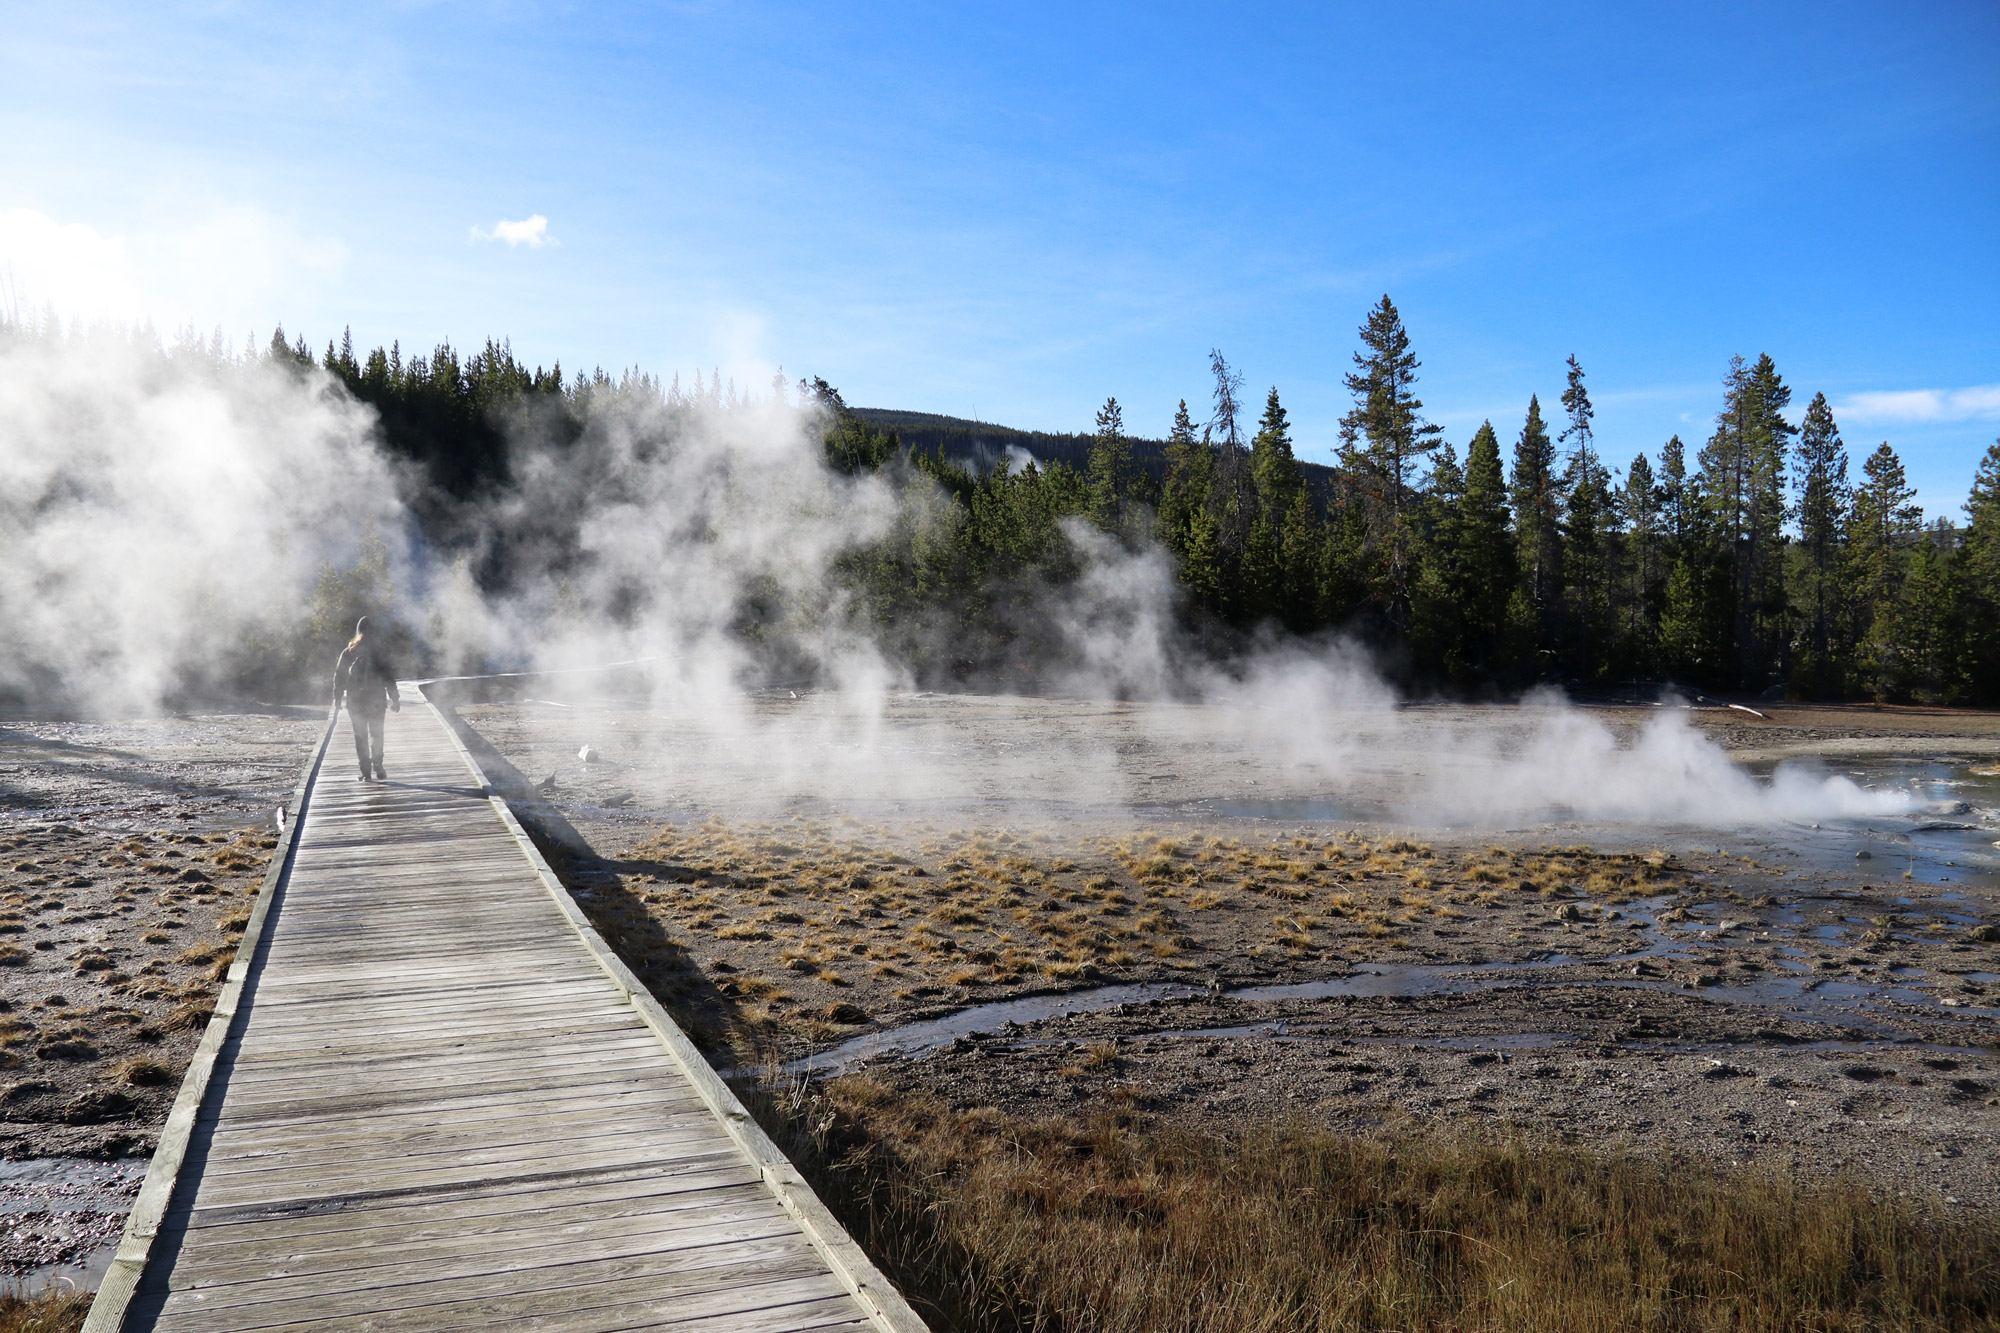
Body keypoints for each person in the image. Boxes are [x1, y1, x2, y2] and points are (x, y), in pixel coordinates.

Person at [332, 616, 400, 781]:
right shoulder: (380, 652)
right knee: (377, 733)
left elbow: (339, 676)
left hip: (355, 701)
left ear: (358, 631)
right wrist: (395, 698)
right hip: (377, 699)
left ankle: (365, 772)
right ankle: (377, 762)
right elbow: (389, 677)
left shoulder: (349, 651)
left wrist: (337, 697)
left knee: (360, 736)